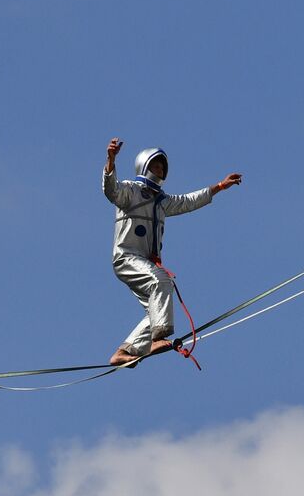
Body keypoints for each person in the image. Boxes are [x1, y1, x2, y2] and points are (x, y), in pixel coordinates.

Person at [103, 137, 241, 365]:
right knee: (162, 282)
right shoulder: (130, 191)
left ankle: (124, 351)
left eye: (162, 167)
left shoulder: (162, 201)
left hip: (145, 263)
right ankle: (158, 338)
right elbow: (111, 190)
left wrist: (219, 187)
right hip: (127, 258)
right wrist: (110, 160)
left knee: (156, 311)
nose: (159, 170)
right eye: (155, 165)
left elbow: (188, 201)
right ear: (144, 165)